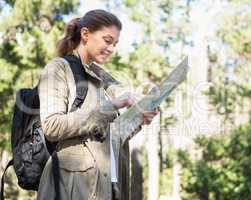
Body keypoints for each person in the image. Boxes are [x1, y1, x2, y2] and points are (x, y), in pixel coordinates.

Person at [37, 9, 159, 200]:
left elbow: (110, 135)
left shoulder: (102, 80)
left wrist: (139, 119)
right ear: (85, 34)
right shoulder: (59, 68)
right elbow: (52, 126)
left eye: (115, 44)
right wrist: (114, 105)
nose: (111, 48)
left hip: (106, 188)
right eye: (107, 40)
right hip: (70, 188)